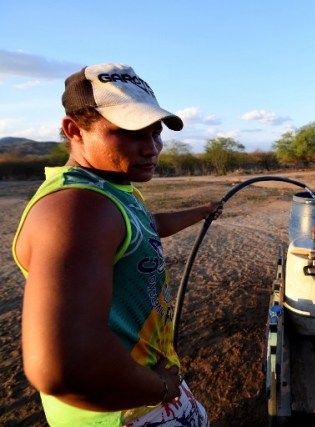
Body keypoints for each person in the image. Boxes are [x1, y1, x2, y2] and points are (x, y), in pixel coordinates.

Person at [12, 63, 222, 426]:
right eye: (130, 132)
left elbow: (143, 230)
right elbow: (61, 367)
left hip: (142, 391)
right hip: (122, 411)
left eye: (155, 132)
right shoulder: (77, 207)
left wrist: (201, 211)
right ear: (73, 130)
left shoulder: (110, 192)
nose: (151, 147)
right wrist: (159, 389)